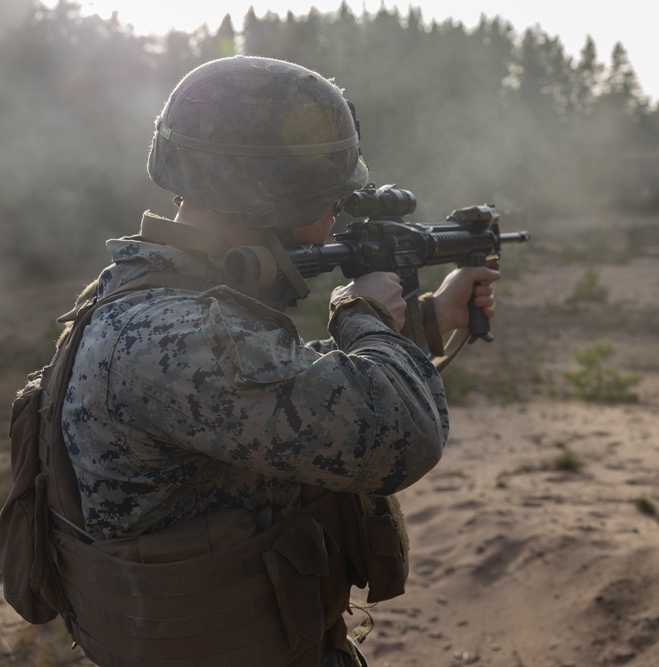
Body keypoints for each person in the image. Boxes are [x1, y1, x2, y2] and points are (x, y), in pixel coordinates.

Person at [52, 55, 499, 666]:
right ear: (266, 200)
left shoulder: (155, 304)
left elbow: (274, 391)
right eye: (323, 203)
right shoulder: (172, 334)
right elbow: (403, 434)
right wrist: (360, 313)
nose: (325, 231)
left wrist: (426, 320)